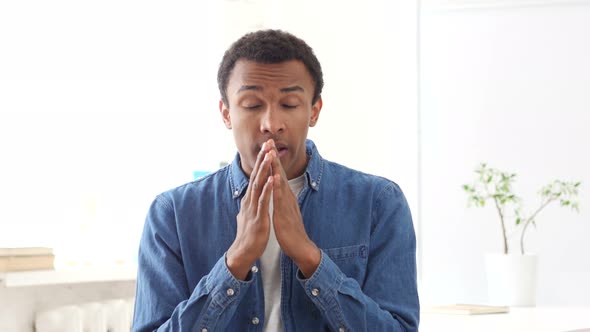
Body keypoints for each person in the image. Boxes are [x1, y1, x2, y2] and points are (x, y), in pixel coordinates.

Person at [132, 29, 419, 331]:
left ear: (314, 111)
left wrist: (310, 258)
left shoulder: (379, 203)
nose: (271, 124)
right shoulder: (173, 213)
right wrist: (236, 260)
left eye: (290, 104)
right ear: (226, 113)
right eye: (252, 105)